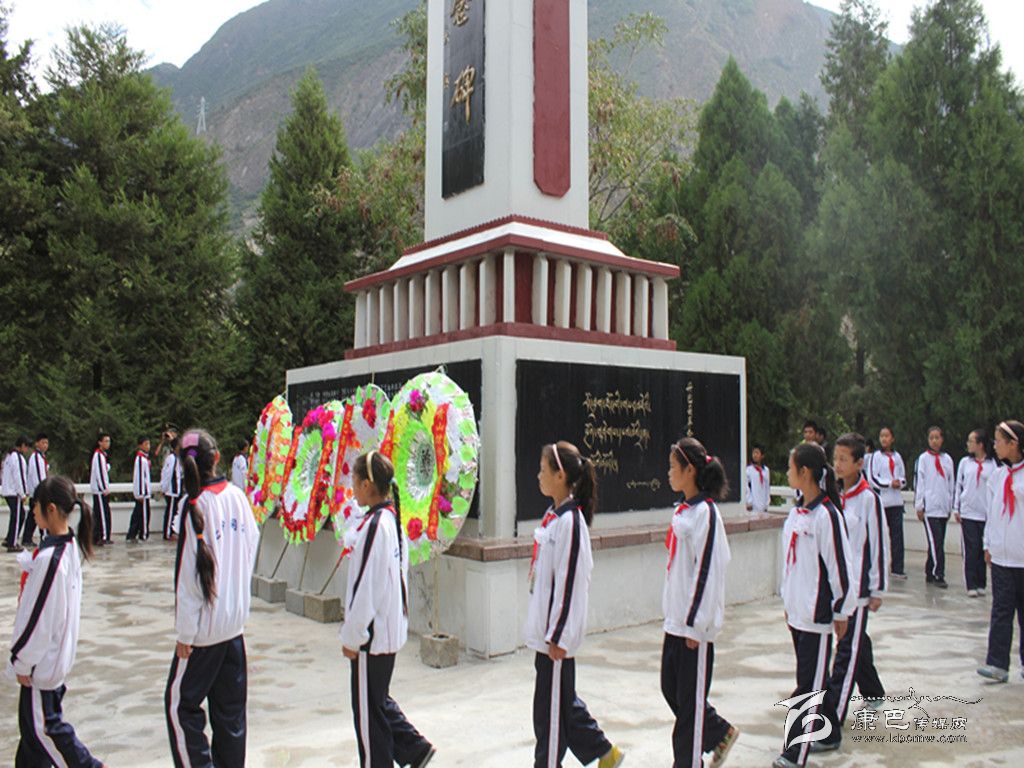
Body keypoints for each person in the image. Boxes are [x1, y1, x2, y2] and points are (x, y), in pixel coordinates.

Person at [525, 442, 624, 768]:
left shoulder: (571, 523)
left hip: (555, 639)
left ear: (560, 476)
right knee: (555, 709)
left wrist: (559, 635)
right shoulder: (554, 517)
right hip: (547, 636)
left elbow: (570, 584)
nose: (538, 475)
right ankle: (604, 753)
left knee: (551, 721)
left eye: (543, 470)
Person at [164, 429, 259, 767]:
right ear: (217, 458)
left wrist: (185, 633)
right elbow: (250, 547)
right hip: (233, 627)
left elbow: (187, 578)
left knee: (179, 706)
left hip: (203, 634)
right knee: (230, 715)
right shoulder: (237, 497)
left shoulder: (193, 507)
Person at [339, 451, 435, 768]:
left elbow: (366, 587)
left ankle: (397, 755)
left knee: (369, 719)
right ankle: (415, 749)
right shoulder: (390, 519)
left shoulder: (375, 526)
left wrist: (352, 636)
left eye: (355, 481)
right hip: (385, 632)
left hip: (372, 637)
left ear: (367, 485)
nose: (352, 488)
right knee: (376, 703)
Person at [9, 475, 104, 768]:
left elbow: (39, 619)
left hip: (41, 668)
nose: (32, 512)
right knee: (31, 749)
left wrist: (21, 661)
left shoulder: (51, 559)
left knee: (46, 734)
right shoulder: (68, 548)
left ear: (50, 508)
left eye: (35, 506)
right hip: (50, 662)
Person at [774, 442, 854, 768]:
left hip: (817, 616)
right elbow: (790, 565)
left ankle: (795, 753)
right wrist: (787, 599)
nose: (788, 473)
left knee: (808, 687)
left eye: (791, 467)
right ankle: (830, 732)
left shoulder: (827, 516)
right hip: (798, 613)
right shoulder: (796, 514)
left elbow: (839, 566)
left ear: (804, 472)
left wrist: (841, 609)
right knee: (813, 677)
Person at [663, 437, 738, 768]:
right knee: (672, 689)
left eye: (673, 467)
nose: (668, 473)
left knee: (689, 709)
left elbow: (708, 571)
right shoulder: (684, 510)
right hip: (675, 621)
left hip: (693, 627)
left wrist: (696, 624)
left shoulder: (706, 514)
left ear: (690, 470)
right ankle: (719, 732)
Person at [812, 433, 888, 754]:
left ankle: (831, 725)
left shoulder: (869, 499)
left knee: (844, 654)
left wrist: (877, 588)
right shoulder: (834, 496)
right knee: (856, 644)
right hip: (838, 588)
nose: (839, 464)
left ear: (859, 463)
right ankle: (873, 690)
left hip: (857, 590)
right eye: (836, 458)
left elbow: (878, 544)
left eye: (845, 459)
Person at [977, 420, 1024, 683]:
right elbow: (992, 513)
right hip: (1002, 559)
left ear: (1013, 443)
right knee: (1001, 611)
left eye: (999, 441)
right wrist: (988, 544)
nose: (994, 446)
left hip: (1023, 557)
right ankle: (997, 664)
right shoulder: (997, 476)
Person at [954, 429, 997, 597]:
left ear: (980, 444)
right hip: (968, 512)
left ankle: (981, 583)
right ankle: (971, 583)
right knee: (971, 549)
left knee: (982, 549)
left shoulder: (992, 465)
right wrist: (956, 508)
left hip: (985, 513)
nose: (968, 444)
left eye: (971, 441)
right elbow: (959, 485)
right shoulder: (965, 463)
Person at [914, 427, 955, 588]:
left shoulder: (947, 459)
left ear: (942, 439)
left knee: (937, 542)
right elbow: (920, 482)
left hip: (943, 507)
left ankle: (930, 570)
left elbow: (950, 483)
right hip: (930, 508)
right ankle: (939, 574)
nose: (934, 441)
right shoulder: (923, 459)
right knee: (936, 541)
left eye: (937, 438)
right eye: (931, 438)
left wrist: (950, 504)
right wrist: (919, 505)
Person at [3, 436, 32, 553]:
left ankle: (9, 539)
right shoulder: (17, 457)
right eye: (27, 447)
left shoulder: (9, 456)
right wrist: (22, 493)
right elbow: (18, 477)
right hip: (14, 492)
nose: (27, 450)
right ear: (23, 445)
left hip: (8, 491)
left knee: (18, 515)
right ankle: (12, 543)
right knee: (18, 516)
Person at [24, 433, 50, 546]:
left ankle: (27, 539)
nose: (45, 445)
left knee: (33, 517)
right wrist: (42, 491)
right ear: (37, 443)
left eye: (47, 443)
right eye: (43, 442)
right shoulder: (36, 457)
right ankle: (44, 537)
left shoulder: (41, 457)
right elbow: (38, 477)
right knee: (41, 515)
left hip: (38, 492)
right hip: (38, 493)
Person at [127, 436, 153, 542]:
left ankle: (132, 534)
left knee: (138, 514)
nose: (148, 446)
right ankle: (143, 534)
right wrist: (141, 493)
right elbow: (140, 477)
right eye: (146, 444)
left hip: (143, 492)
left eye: (149, 444)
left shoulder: (143, 459)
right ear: (140, 445)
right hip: (143, 493)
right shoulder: (141, 459)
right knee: (144, 515)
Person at [89, 434, 113, 546]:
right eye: (106, 441)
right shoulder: (98, 456)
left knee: (99, 514)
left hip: (100, 490)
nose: (108, 443)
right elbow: (100, 474)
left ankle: (96, 537)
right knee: (103, 515)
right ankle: (103, 536)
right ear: (100, 442)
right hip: (100, 491)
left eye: (109, 441)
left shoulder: (103, 456)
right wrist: (104, 488)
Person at [160, 434, 182, 541]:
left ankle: (172, 531)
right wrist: (164, 488)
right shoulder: (171, 458)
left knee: (174, 512)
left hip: (176, 490)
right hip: (171, 491)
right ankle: (167, 533)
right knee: (170, 513)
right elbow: (167, 474)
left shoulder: (177, 458)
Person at [745, 444, 770, 515]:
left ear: (762, 456)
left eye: (757, 453)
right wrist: (749, 500)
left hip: (763, 504)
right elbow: (746, 486)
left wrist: (767, 503)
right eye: (754, 453)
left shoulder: (766, 470)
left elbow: (767, 487)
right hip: (753, 504)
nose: (755, 455)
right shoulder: (749, 470)